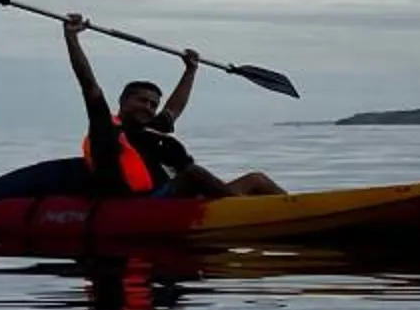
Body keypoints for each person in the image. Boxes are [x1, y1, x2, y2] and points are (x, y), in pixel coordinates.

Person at [65, 14, 284, 198]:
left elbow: (174, 108)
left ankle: (294, 208)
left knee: (257, 179)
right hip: (140, 205)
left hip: (171, 198)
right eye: (142, 101)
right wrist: (72, 37)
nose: (148, 107)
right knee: (191, 174)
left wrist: (190, 70)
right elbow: (88, 83)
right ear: (123, 101)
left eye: (153, 104)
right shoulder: (104, 129)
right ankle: (240, 209)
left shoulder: (151, 129)